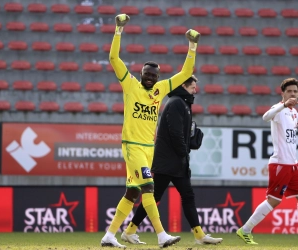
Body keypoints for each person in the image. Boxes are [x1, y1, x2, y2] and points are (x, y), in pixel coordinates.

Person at [100, 14, 200, 248]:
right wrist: (118, 30)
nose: (150, 79)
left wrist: (192, 46)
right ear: (141, 73)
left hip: (148, 149)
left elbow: (186, 73)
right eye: (147, 74)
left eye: (154, 76)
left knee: (132, 193)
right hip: (132, 145)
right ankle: (161, 235)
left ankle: (109, 235)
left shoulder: (161, 89)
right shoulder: (130, 84)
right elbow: (113, 58)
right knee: (148, 187)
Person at [120, 75, 223, 246]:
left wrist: (191, 141)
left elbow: (181, 134)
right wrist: (184, 151)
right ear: (183, 86)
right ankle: (129, 231)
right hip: (168, 162)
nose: (195, 90)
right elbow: (175, 133)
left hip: (175, 161)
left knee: (184, 195)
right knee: (156, 196)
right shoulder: (176, 103)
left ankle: (199, 235)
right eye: (192, 87)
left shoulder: (182, 104)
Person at [237, 78, 298, 244]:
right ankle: (245, 230)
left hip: (293, 164)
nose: (293, 94)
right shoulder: (278, 109)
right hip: (280, 163)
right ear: (283, 93)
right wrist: (283, 105)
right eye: (289, 91)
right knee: (274, 200)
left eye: (295, 91)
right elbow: (265, 117)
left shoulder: (294, 113)